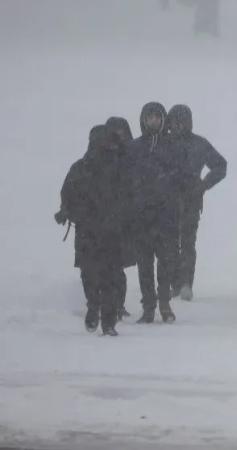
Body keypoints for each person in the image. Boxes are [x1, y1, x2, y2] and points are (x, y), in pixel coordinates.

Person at [55, 124, 127, 336]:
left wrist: (130, 218)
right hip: (89, 230)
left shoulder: (119, 168)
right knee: (91, 274)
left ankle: (107, 320)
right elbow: (67, 193)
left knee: (109, 276)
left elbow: (131, 196)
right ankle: (95, 308)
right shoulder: (81, 167)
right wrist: (64, 211)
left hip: (110, 231)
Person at [127, 102, 183, 324]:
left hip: (166, 215)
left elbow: (182, 176)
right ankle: (148, 306)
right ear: (143, 120)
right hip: (141, 216)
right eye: (149, 118)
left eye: (157, 117)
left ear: (162, 120)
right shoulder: (133, 148)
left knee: (166, 263)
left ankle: (164, 304)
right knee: (144, 264)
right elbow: (126, 179)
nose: (153, 121)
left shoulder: (173, 147)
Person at [165, 104, 227, 301]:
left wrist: (203, 185)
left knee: (188, 243)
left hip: (191, 201)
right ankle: (174, 284)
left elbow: (220, 165)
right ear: (170, 122)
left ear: (189, 122)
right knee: (169, 244)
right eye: (176, 121)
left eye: (183, 121)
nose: (179, 125)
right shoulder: (163, 143)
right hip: (165, 202)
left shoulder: (199, 144)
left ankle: (185, 285)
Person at [105, 116, 135, 320]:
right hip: (104, 218)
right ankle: (103, 304)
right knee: (104, 265)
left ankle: (117, 305)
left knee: (117, 266)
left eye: (122, 131)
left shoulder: (133, 155)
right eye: (115, 131)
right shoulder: (100, 156)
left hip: (125, 219)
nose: (119, 135)